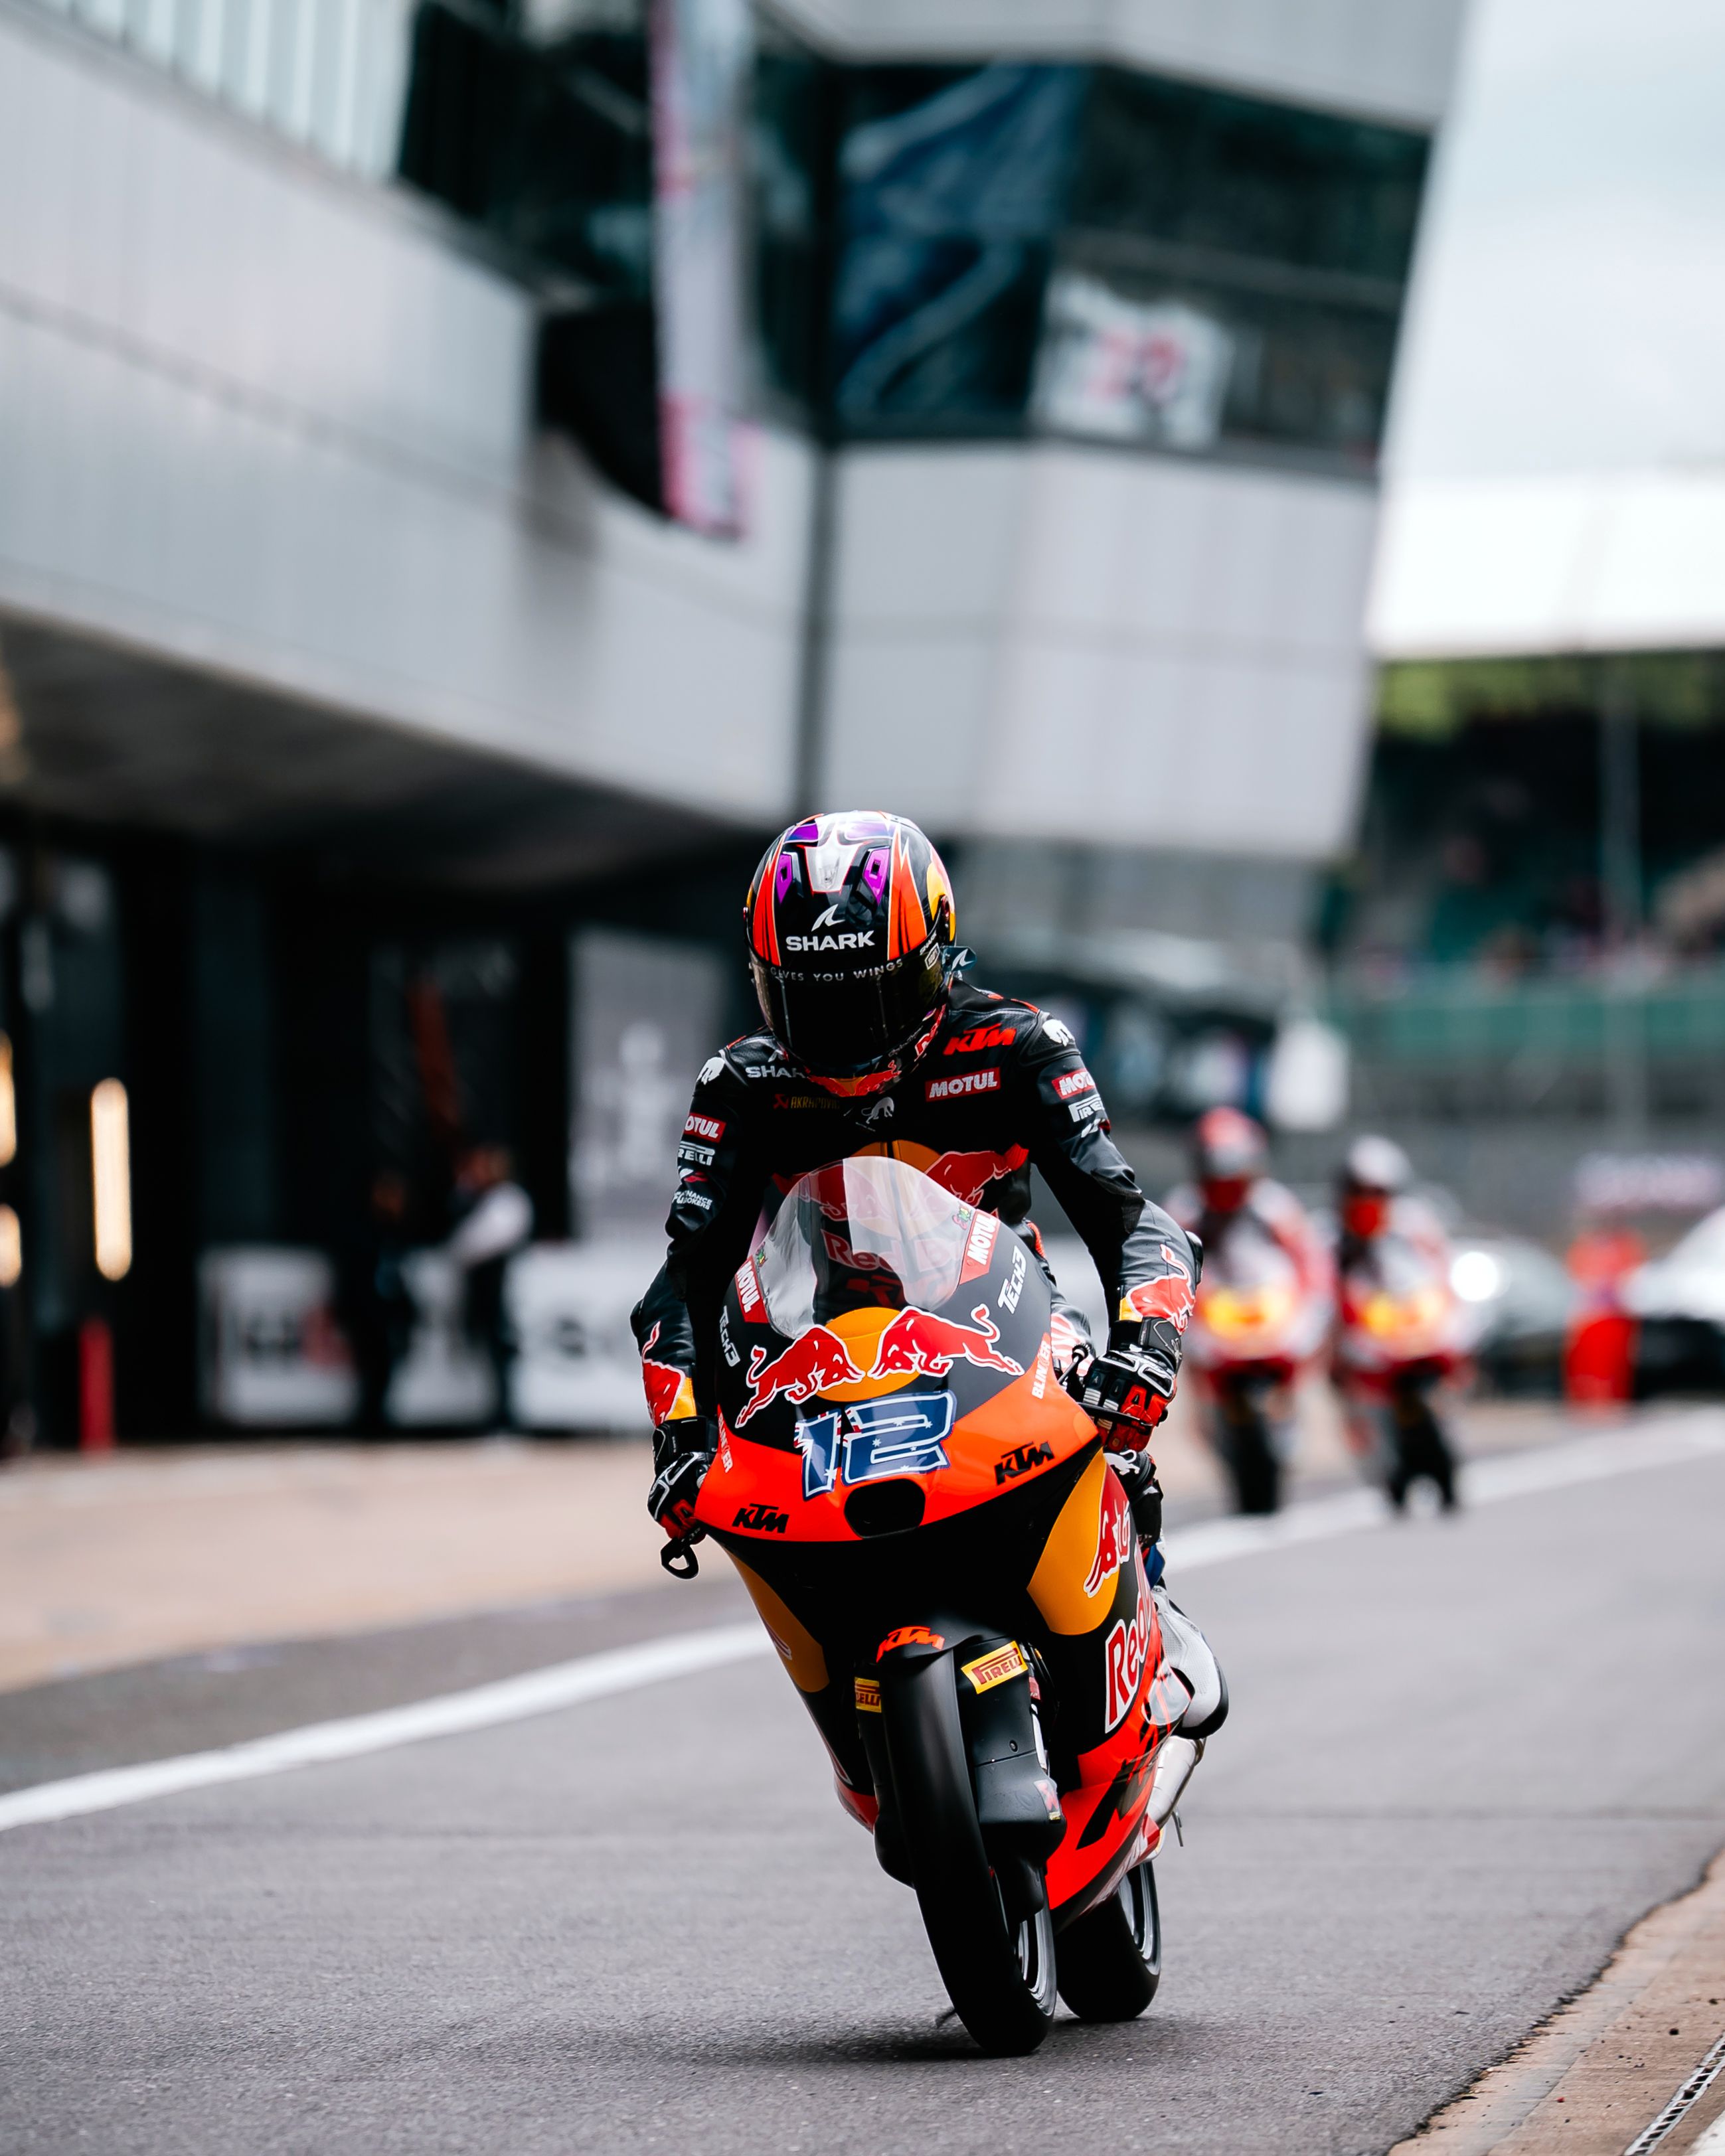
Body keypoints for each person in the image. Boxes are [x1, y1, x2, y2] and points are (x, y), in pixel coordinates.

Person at [631, 809, 1224, 1737]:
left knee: (1111, 1434)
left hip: (1006, 1319)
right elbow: (685, 1282)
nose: (841, 1034)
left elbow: (1131, 1219)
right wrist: (681, 1438)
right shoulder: (740, 1084)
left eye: (871, 997)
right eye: (808, 1002)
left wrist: (1145, 1346)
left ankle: (1147, 1602)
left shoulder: (1019, 1044)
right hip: (822, 1344)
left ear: (938, 958)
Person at [1164, 1107, 1333, 1511]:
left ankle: (1291, 1412)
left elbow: (1309, 1260)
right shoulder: (1183, 1211)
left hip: (1269, 1310)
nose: (1225, 1188)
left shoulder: (1274, 1207)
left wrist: (1309, 1308)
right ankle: (1209, 1424)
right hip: (1214, 1312)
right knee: (1190, 1372)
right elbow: (1165, 1265)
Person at [1331, 1134, 1461, 1508]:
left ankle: (1450, 1430)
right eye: (1360, 1192)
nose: (1368, 1201)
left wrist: (1448, 1313)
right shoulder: (1334, 1238)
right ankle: (1372, 1449)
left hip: (1412, 1325)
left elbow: (1442, 1273)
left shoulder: (1415, 1226)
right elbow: (1320, 1288)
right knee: (1343, 1377)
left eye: (1377, 1193)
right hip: (1363, 1333)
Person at [446, 1145, 534, 1426]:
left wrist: (459, 1250)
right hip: (482, 1290)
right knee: (484, 1350)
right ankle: (496, 1412)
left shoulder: (507, 1199)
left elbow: (472, 1245)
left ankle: (505, 1415)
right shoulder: (474, 1199)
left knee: (500, 1350)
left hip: (500, 1289)